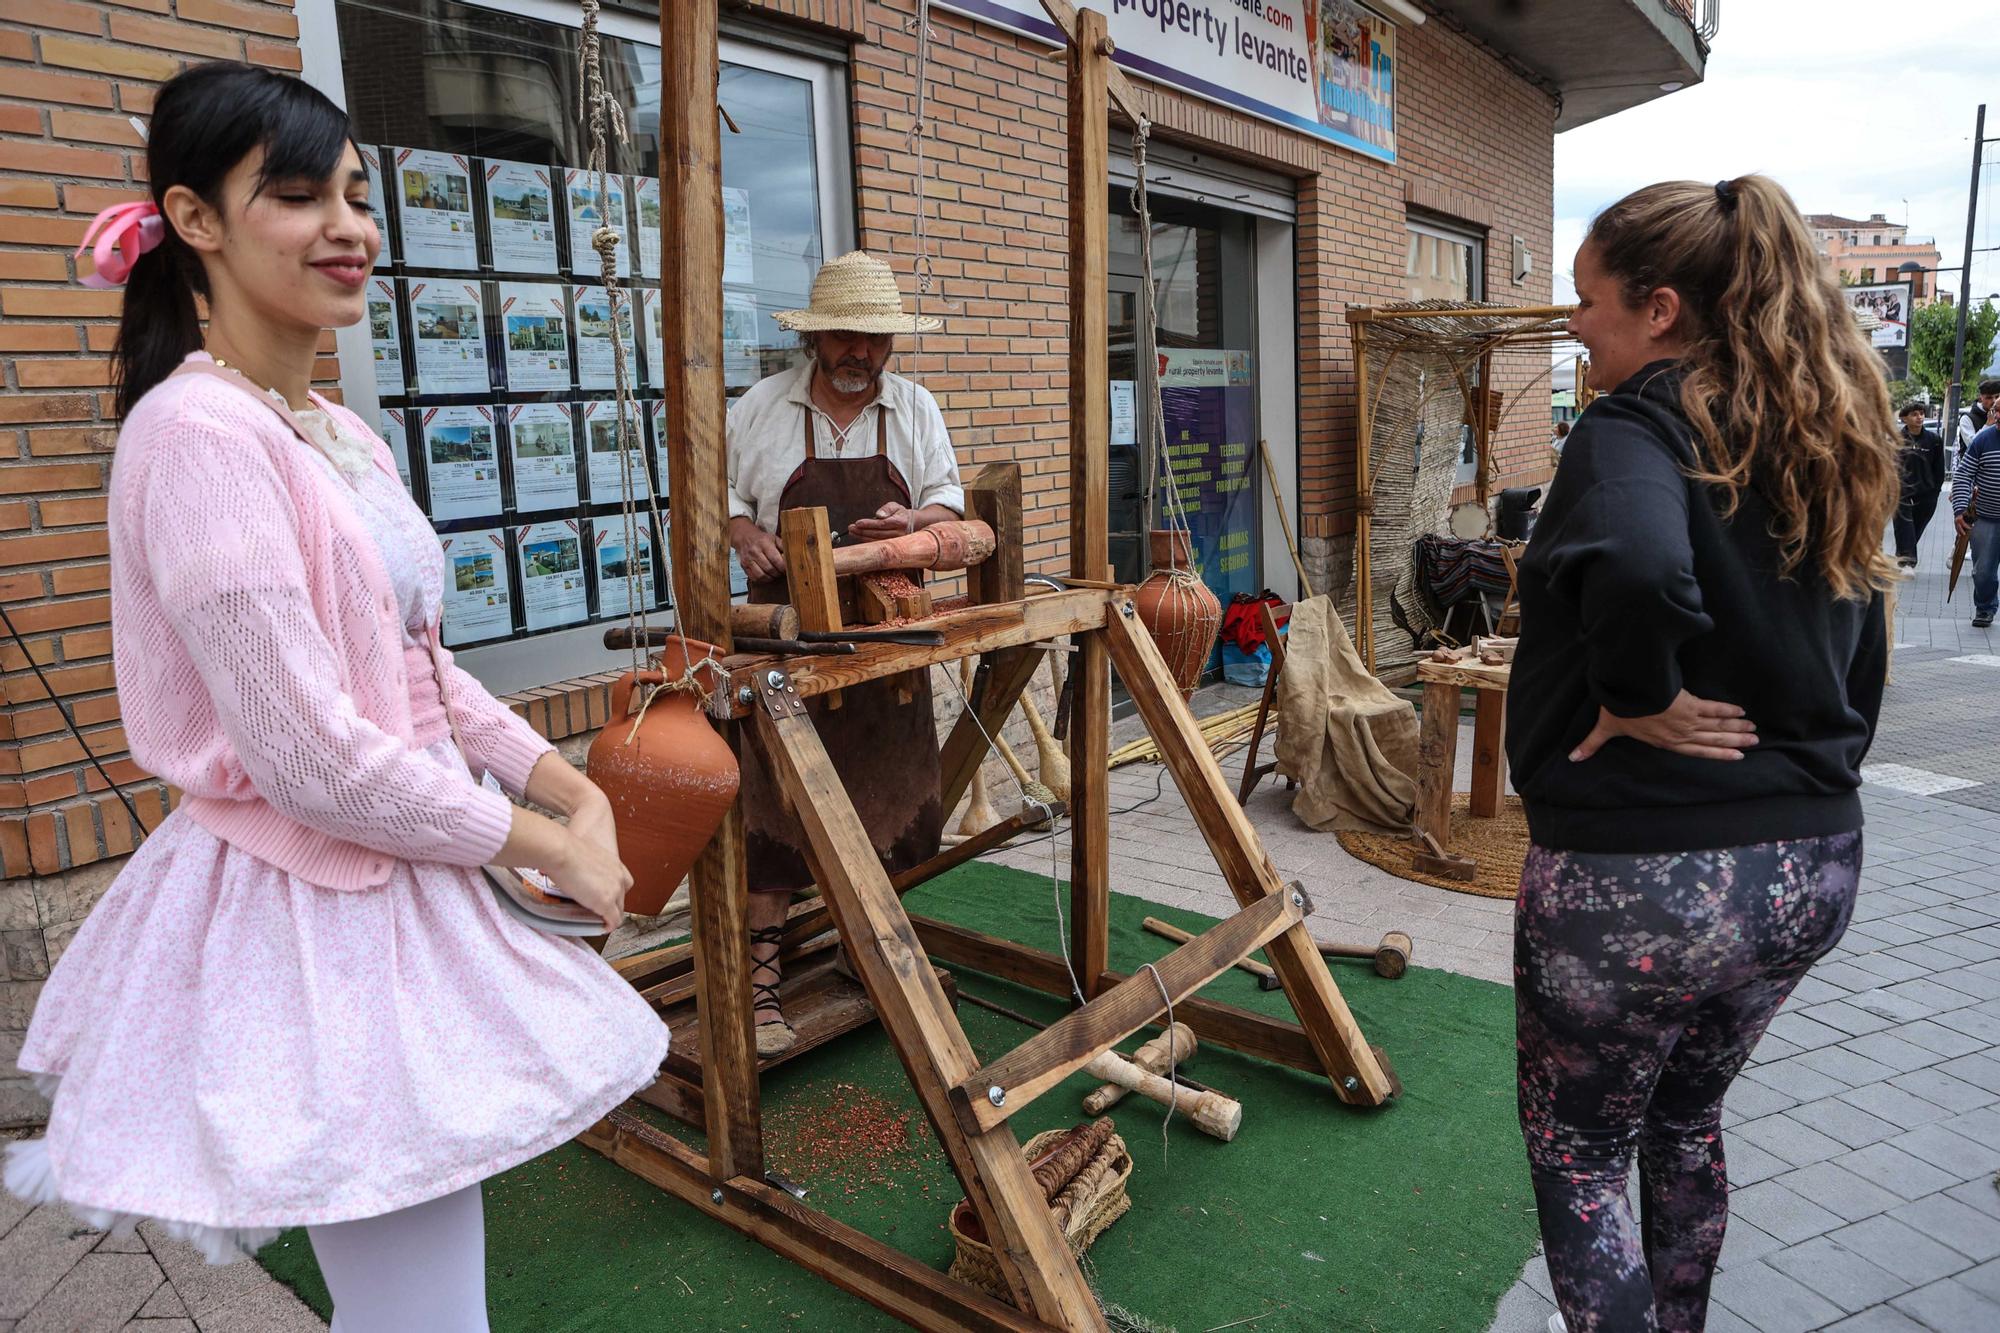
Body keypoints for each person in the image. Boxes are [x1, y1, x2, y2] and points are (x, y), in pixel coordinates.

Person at [2, 64, 666, 1329]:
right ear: (195, 221)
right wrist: (545, 845)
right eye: (298, 195)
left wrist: (568, 783)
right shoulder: (195, 439)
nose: (349, 227)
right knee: (408, 1281)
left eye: (355, 193)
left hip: (397, 863)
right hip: (311, 900)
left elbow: (421, 663)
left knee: (421, 1239)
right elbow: (313, 757)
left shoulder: (328, 427)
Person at [1506, 175, 1894, 1333]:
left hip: (1646, 878)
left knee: (1578, 1150)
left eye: (1585, 301)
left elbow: (1629, 560)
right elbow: (1864, 648)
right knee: (1681, 1122)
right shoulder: (1822, 434)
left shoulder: (1635, 424)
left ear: (1659, 308)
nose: (1573, 325)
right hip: (1810, 866)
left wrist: (1640, 695)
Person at [725, 251, 964, 1056]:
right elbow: (714, 500)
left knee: (891, 799)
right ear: (817, 338)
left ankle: (875, 958)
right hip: (781, 641)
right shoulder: (758, 408)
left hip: (881, 638)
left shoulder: (915, 409)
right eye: (846, 337)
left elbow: (949, 499)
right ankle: (762, 981)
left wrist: (912, 522)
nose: (860, 351)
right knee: (772, 812)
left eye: (875, 337)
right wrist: (745, 532)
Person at [1952, 409, 2000, 627]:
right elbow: (1964, 474)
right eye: (1996, 410)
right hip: (1986, 517)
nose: (1997, 415)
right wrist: (1960, 508)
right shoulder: (1984, 439)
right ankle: (1985, 607)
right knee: (1983, 571)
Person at [1893, 402, 1945, 571]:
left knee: (1915, 528)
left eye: (1922, 413)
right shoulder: (1896, 440)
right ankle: (1908, 563)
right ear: (1904, 418)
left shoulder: (1934, 440)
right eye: (1914, 414)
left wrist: (1936, 490)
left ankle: (1902, 554)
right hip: (1901, 492)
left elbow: (1939, 467)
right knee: (1904, 525)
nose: (1919, 417)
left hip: (1927, 492)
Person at [1956, 377, 1998, 458]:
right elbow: (1972, 445)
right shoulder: (1967, 419)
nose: (1994, 401)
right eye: (1989, 398)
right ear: (1980, 398)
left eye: (1997, 397)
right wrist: (1988, 425)